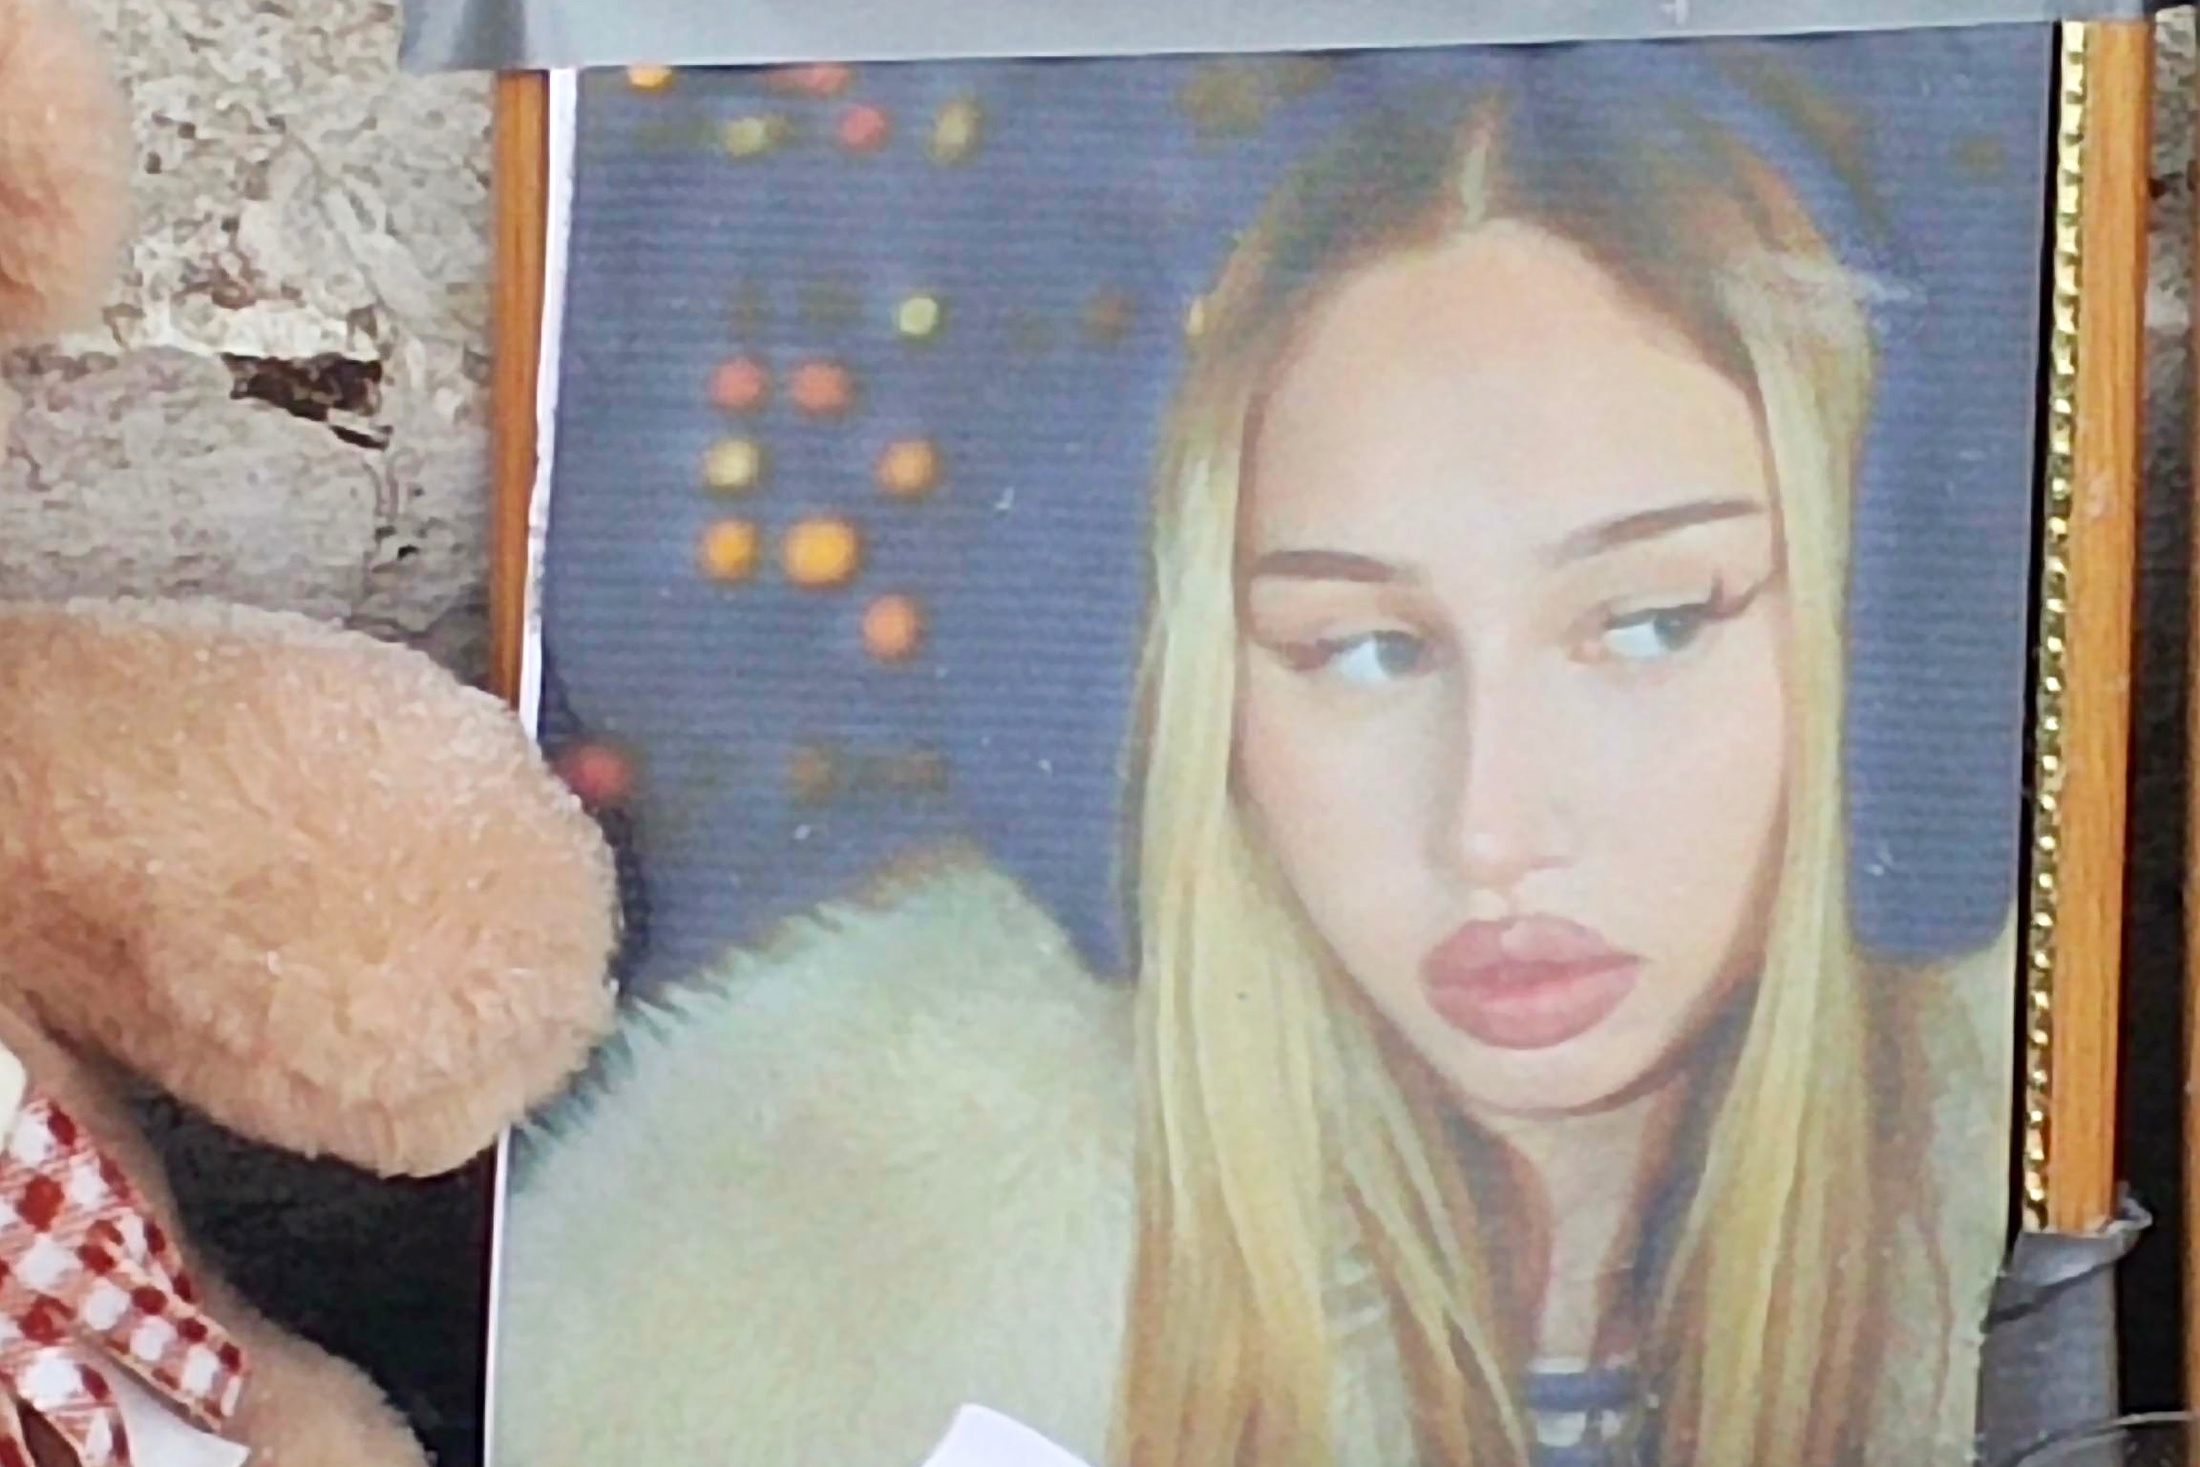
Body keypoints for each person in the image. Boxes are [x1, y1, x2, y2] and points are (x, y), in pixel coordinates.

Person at [490, 69, 2014, 1467]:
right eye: (1366, 649)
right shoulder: (810, 1269)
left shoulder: (2039, 1210)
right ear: (1204, 694)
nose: (1490, 827)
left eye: (1649, 624)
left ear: (1866, 629)